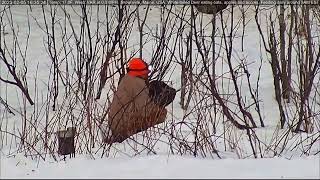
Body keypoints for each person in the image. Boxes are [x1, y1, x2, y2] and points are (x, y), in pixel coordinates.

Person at [100, 58, 168, 144]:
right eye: (146, 70)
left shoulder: (127, 78)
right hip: (123, 128)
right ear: (141, 72)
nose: (148, 73)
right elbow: (144, 110)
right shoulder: (137, 83)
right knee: (160, 113)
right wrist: (159, 107)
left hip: (116, 124)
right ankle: (149, 141)